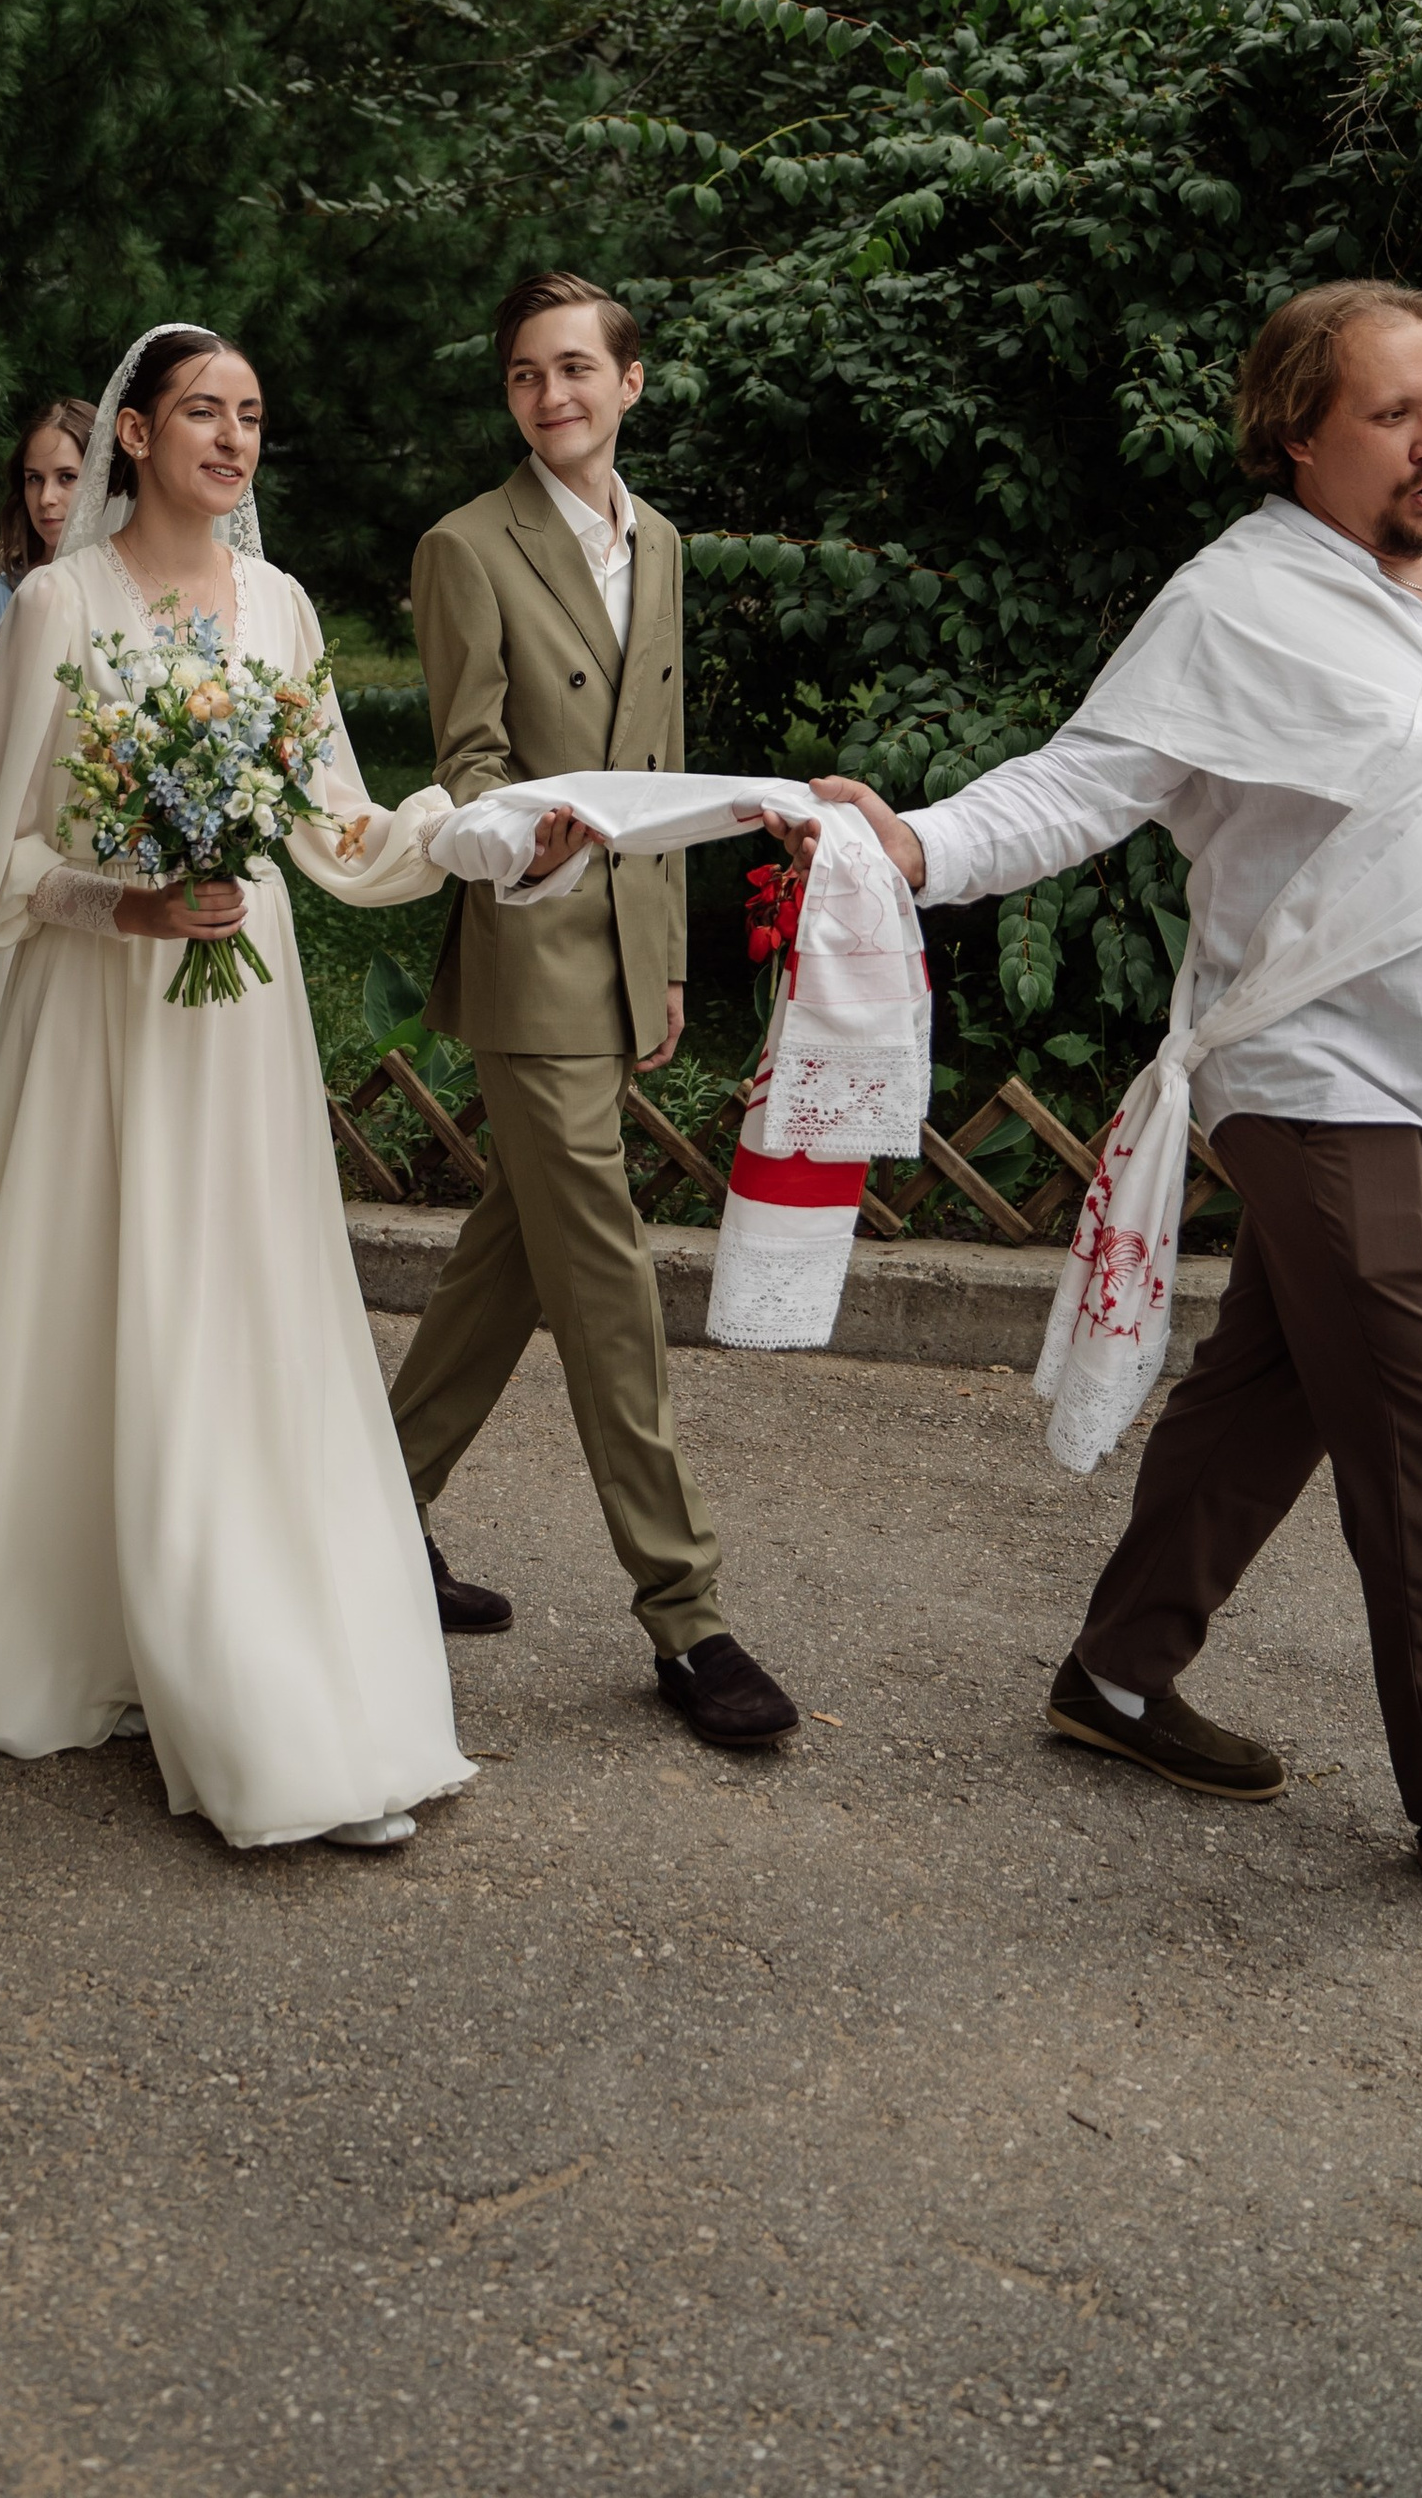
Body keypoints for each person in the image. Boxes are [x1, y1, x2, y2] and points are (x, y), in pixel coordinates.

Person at [787, 281, 1422, 1969]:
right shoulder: (1230, 608)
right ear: (1297, 430)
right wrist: (919, 844)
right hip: (1309, 1077)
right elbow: (1081, 787)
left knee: (1272, 1392)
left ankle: (1115, 1675)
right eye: (1394, 414)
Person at [0, 323, 472, 1853]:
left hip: (238, 1018)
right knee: (113, 1310)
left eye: (253, 414)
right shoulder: (57, 600)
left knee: (240, 1315)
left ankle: (273, 1663)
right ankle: (141, 1654)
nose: (234, 438)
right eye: (204, 411)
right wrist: (124, 903)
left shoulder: (287, 605)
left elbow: (337, 834)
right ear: (137, 434)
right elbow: (0, 869)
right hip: (99, 1015)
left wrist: (474, 841)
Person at [385, 268, 801, 1752]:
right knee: (608, 1276)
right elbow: (472, 763)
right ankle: (685, 1612)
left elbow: (663, 761)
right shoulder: (465, 546)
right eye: (523, 377)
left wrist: (667, 954)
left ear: (632, 382)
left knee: (511, 1260)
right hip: (528, 947)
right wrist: (526, 839)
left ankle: (370, 1515)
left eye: (574, 370)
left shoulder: (664, 545)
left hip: (618, 954)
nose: (549, 396)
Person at [0, 396, 96, 624]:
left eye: (67, 477)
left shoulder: (138, 588)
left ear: (103, 481)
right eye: (34, 478)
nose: (46, 498)